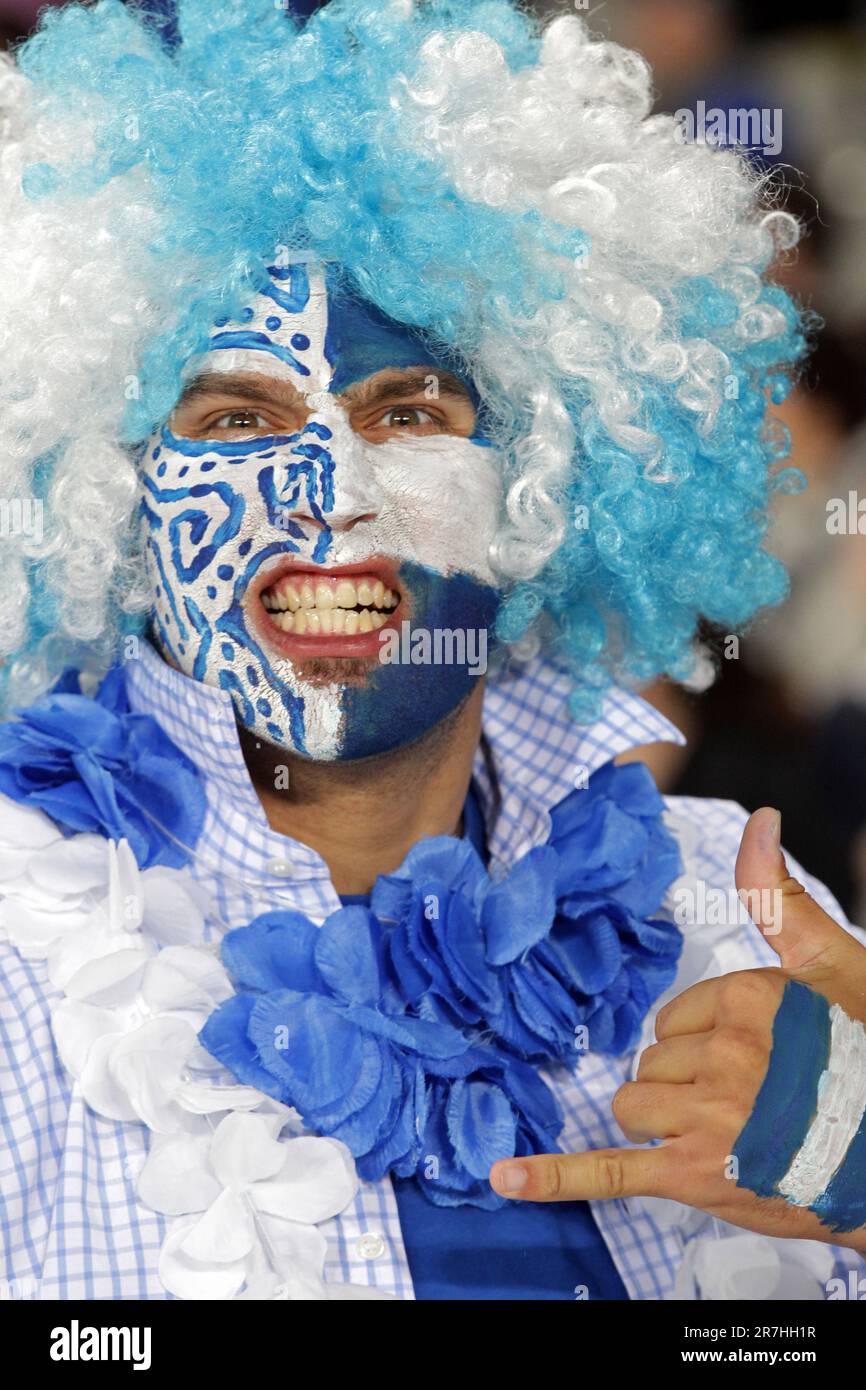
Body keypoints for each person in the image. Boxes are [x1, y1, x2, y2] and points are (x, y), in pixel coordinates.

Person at [0, 0, 864, 1303]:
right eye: (237, 417)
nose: (330, 493)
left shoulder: (735, 917)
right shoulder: (17, 975)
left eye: (405, 411)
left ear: (541, 484)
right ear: (107, 502)